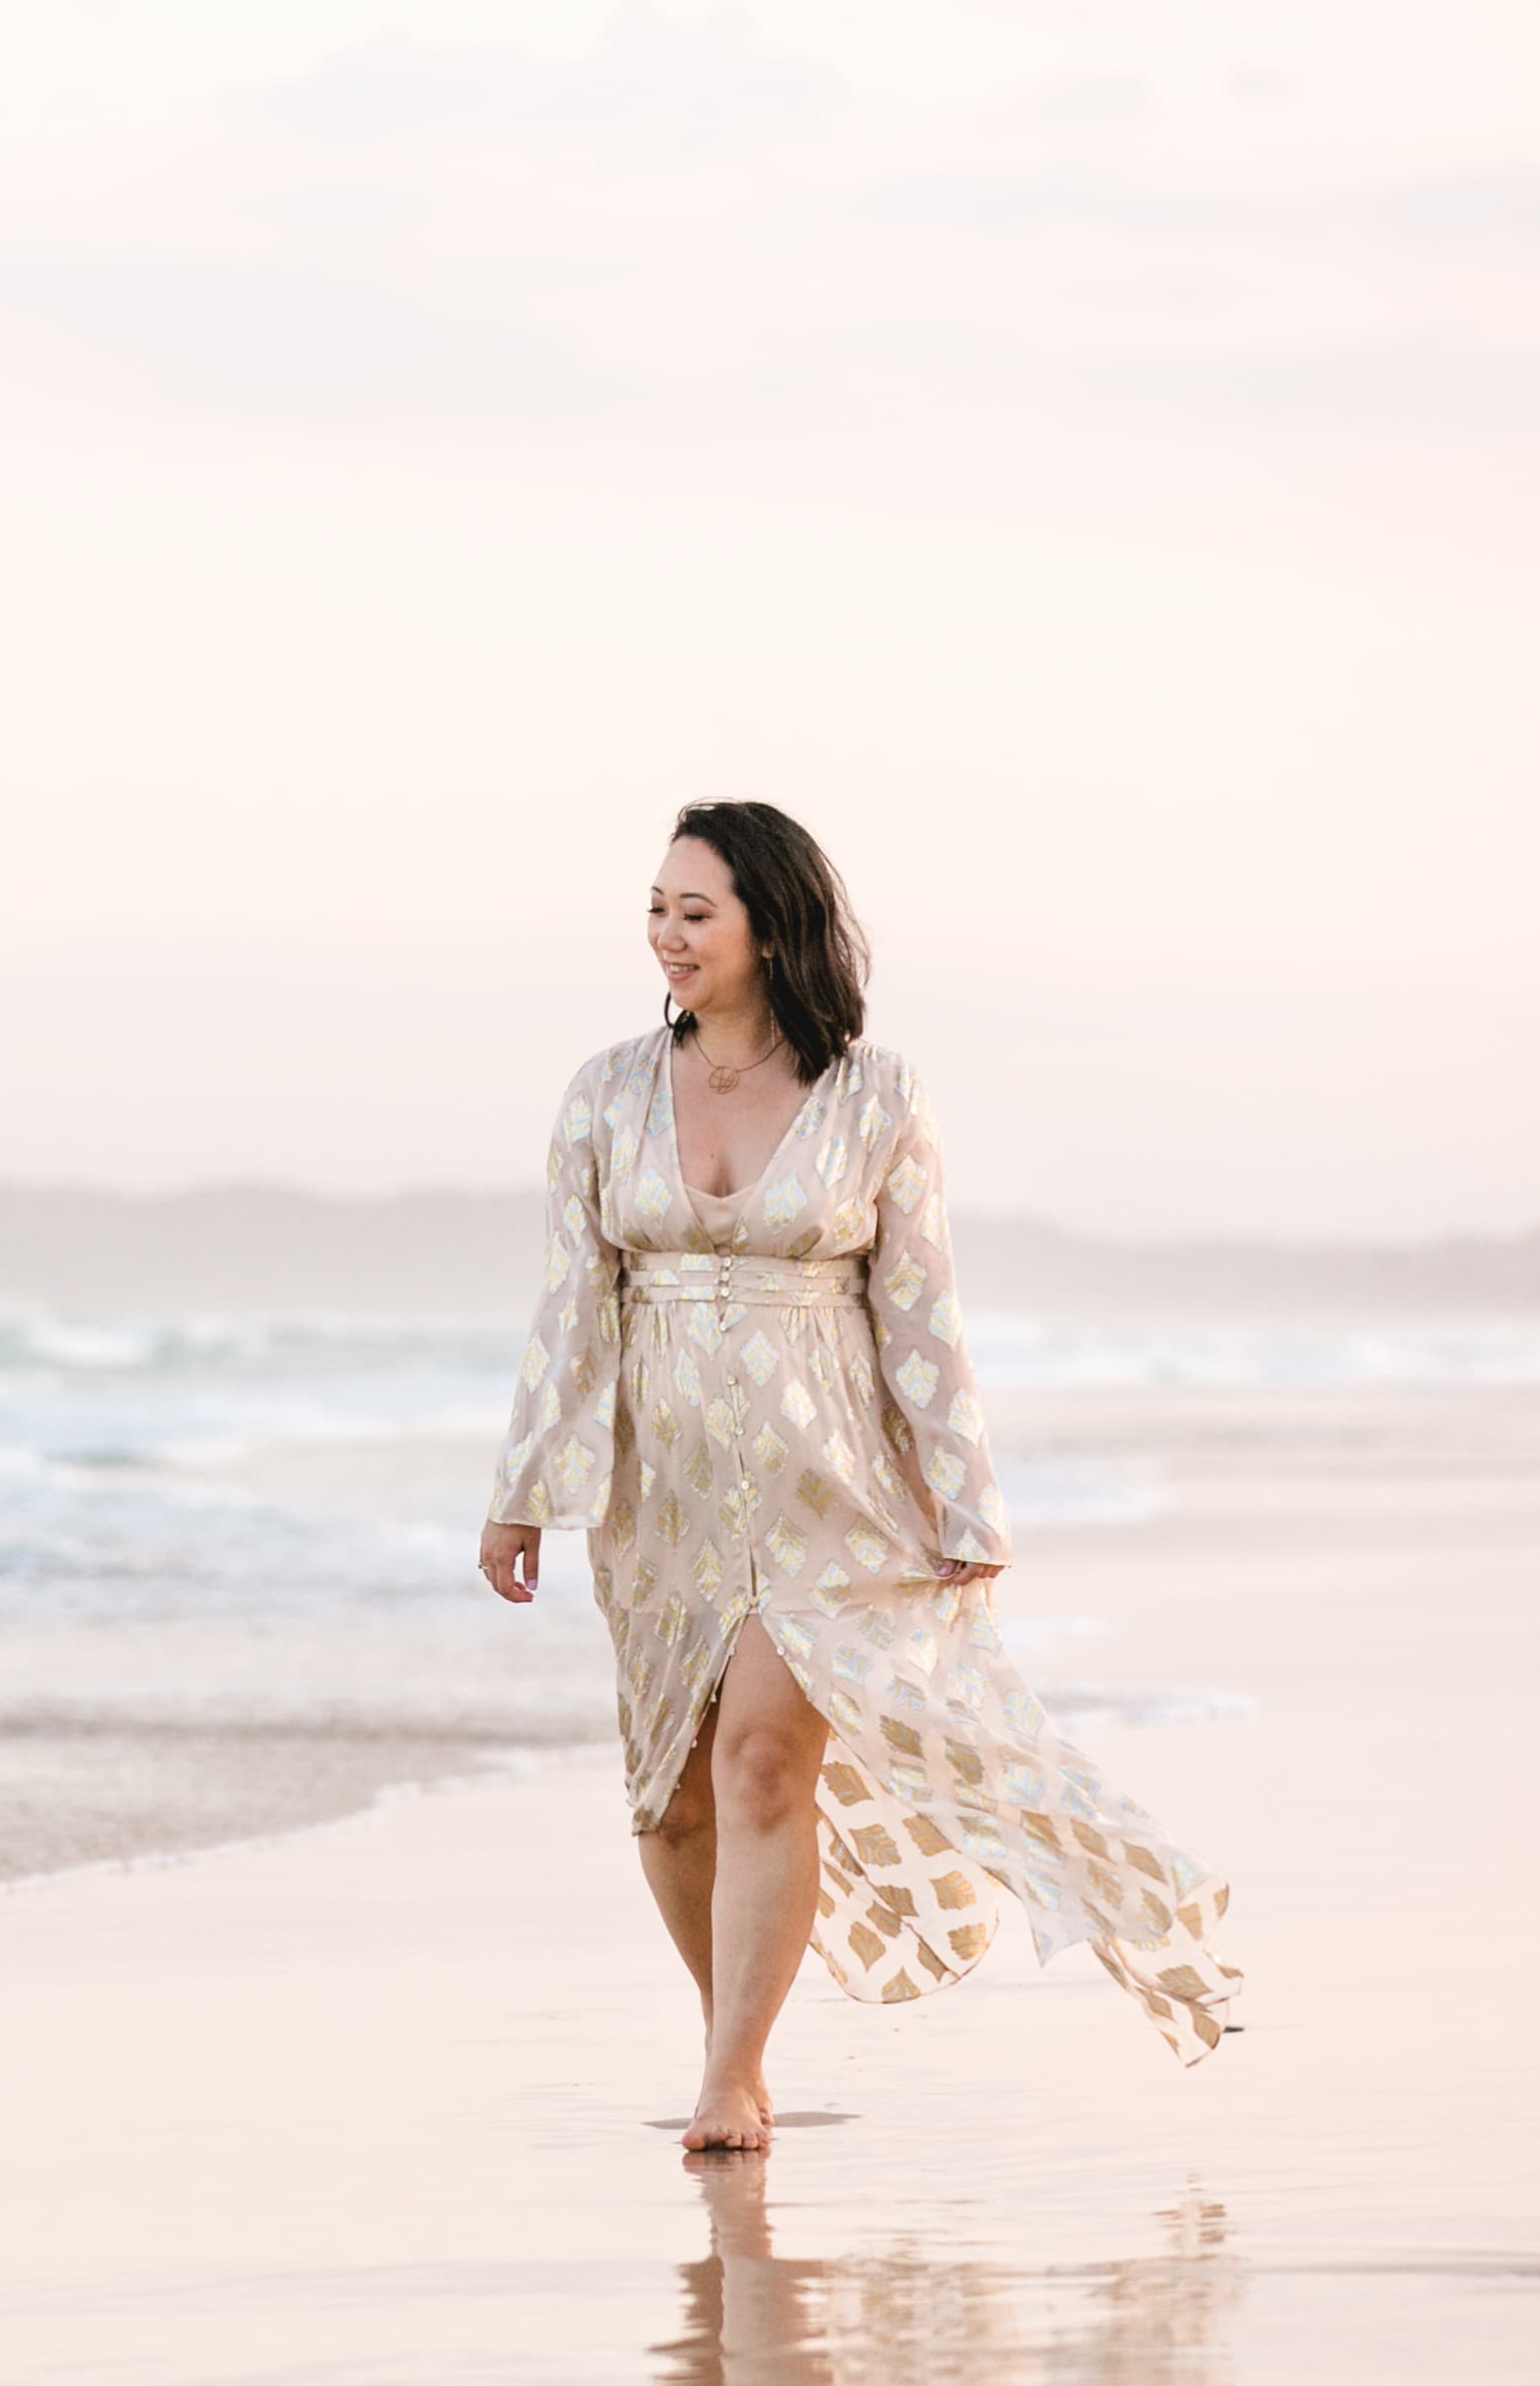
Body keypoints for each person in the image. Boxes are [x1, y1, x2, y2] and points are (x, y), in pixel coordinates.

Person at [477, 800, 1234, 2150]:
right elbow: (571, 1308)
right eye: (654, 910)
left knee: (765, 1759)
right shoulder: (603, 1093)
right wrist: (524, 1487)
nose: (666, 935)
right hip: (665, 1501)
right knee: (671, 1797)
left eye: (694, 911)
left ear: (770, 924)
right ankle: (738, 2041)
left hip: (835, 1489)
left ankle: (728, 2081)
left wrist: (965, 1497)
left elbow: (922, 1311)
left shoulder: (875, 1095)